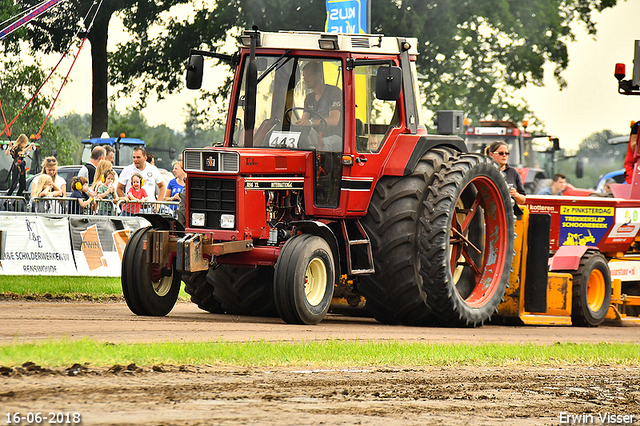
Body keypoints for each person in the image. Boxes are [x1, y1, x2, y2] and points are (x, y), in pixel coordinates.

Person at [295, 61, 343, 151]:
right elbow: (305, 120)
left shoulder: (334, 92)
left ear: (319, 75)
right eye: (304, 76)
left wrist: (311, 122)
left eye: (308, 75)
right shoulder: (309, 98)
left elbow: (333, 120)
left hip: (335, 138)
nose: (305, 79)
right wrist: (299, 124)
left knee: (319, 146)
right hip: (315, 138)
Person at [486, 141, 526, 205]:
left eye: (506, 153)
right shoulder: (485, 172)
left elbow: (523, 200)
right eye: (501, 153)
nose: (504, 155)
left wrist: (515, 194)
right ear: (491, 155)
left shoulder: (513, 172)